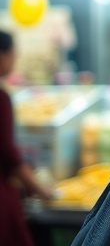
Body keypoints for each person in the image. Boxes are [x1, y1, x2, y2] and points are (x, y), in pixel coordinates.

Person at [1, 30, 52, 246]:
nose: (14, 61)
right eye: (13, 55)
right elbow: (7, 154)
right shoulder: (1, 98)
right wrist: (43, 191)